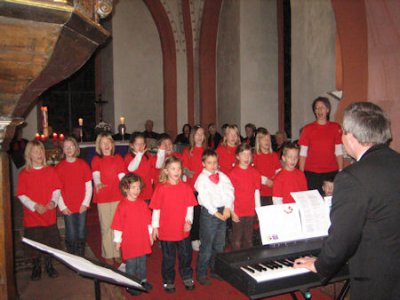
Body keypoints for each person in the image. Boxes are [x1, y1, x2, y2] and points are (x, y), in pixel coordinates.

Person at [294, 102, 400, 300]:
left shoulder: (352, 177)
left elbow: (343, 237)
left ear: (351, 136)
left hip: (376, 277)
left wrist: (319, 264)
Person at [150, 156, 197, 293]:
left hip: (182, 229)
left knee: (186, 255)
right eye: (173, 169)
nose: (177, 172)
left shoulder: (186, 188)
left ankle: (187, 275)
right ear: (166, 171)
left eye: (179, 169)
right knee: (168, 257)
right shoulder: (161, 188)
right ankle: (168, 279)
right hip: (166, 230)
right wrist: (155, 227)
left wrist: (189, 221)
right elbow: (156, 209)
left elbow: (190, 207)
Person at [16, 141, 62, 281]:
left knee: (49, 241)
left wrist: (53, 202)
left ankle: (49, 264)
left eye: (41, 151)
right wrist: (35, 206)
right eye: (35, 151)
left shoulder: (51, 171)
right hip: (33, 215)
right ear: (29, 154)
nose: (39, 154)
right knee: (35, 241)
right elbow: (21, 195)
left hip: (48, 213)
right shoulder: (24, 173)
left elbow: (56, 189)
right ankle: (36, 266)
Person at [195, 149, 234, 286]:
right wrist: (214, 212)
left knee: (219, 245)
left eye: (215, 162)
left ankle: (216, 270)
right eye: (209, 163)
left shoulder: (222, 176)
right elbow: (204, 197)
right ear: (203, 164)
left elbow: (230, 191)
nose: (213, 165)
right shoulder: (202, 179)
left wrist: (228, 207)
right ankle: (201, 273)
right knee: (207, 246)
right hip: (209, 214)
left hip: (222, 211)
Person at [111, 174, 153, 296]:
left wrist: (150, 235)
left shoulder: (142, 203)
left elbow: (148, 221)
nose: (137, 190)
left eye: (138, 187)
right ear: (125, 189)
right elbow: (117, 225)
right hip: (129, 241)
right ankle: (131, 284)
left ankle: (143, 281)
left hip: (142, 239)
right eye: (133, 187)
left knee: (142, 263)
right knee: (131, 264)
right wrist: (117, 240)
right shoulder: (122, 205)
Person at [91, 133, 125, 265]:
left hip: (117, 195)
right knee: (106, 226)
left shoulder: (117, 158)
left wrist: (127, 187)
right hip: (103, 195)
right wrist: (98, 182)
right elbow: (96, 174)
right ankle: (108, 253)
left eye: (108, 142)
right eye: (103, 143)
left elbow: (122, 175)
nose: (106, 145)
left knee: (117, 225)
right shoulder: (96, 159)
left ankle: (117, 252)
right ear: (99, 145)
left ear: (112, 144)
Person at [298, 97, 343, 194]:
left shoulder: (335, 127)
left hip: (331, 172)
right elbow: (303, 154)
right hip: (311, 173)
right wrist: (301, 173)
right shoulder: (307, 129)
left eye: (322, 107)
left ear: (328, 110)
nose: (319, 110)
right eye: (316, 108)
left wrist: (340, 170)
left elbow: (339, 152)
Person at [55, 137, 92, 256]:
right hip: (67, 206)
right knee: (70, 232)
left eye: (71, 146)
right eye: (66, 147)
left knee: (81, 232)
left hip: (81, 205)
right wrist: (62, 206)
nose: (69, 149)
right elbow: (57, 189)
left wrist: (85, 203)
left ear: (76, 148)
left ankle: (80, 255)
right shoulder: (59, 167)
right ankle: (72, 256)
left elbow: (89, 186)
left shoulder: (83, 165)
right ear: (63, 150)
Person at [229, 144, 261, 250]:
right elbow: (230, 195)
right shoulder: (233, 173)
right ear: (237, 156)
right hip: (237, 211)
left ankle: (248, 261)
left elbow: (256, 193)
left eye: (249, 155)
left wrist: (259, 211)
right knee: (237, 239)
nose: (246, 158)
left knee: (249, 239)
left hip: (250, 211)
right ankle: (236, 261)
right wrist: (232, 212)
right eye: (243, 154)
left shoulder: (255, 173)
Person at [181, 125, 207, 251]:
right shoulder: (188, 151)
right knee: (195, 216)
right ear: (192, 136)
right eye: (197, 134)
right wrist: (188, 172)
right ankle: (194, 238)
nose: (200, 136)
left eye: (202, 134)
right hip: (193, 189)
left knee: (205, 216)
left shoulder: (207, 151)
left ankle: (204, 237)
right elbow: (185, 168)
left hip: (206, 189)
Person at [253, 128, 282, 206]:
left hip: (274, 191)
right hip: (261, 192)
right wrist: (266, 181)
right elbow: (253, 173)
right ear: (259, 141)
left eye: (268, 139)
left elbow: (279, 171)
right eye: (264, 139)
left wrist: (275, 181)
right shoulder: (255, 156)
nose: (267, 141)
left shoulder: (274, 155)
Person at [124, 132, 153, 204]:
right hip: (135, 192)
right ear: (131, 145)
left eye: (142, 144)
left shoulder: (148, 156)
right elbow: (131, 168)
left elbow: (152, 170)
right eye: (137, 144)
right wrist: (139, 154)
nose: (140, 146)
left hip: (147, 190)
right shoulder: (128, 157)